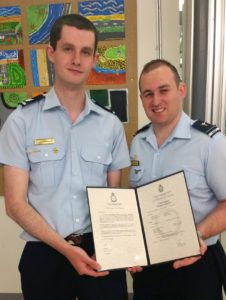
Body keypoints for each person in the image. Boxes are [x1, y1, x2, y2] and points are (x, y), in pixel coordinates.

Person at [0, 14, 130, 300]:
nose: (77, 59)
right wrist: (65, 248)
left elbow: (114, 199)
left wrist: (122, 245)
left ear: (94, 58)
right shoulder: (21, 121)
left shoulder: (110, 125)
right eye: (68, 49)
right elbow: (14, 204)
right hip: (44, 255)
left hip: (99, 252)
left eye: (85, 52)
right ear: (51, 53)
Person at [128, 59, 226, 300]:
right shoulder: (138, 142)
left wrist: (197, 234)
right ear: (142, 99)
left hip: (196, 263)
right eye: (148, 94)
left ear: (181, 90)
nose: (156, 101)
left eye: (164, 90)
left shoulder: (209, 142)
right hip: (149, 267)